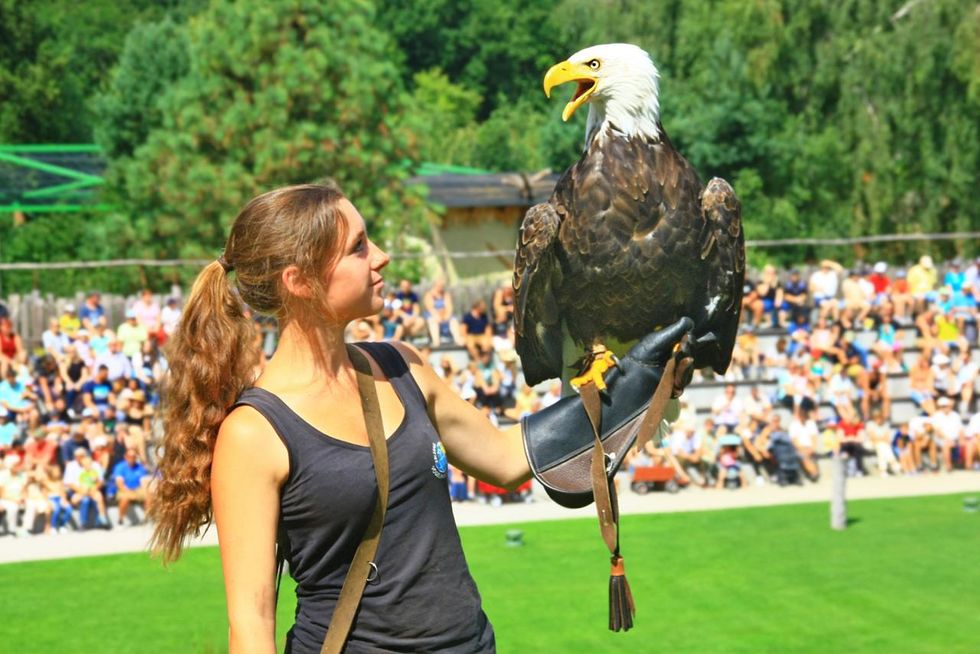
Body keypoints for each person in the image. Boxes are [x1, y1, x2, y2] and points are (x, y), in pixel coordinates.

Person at [148, 184, 692, 653]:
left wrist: (634, 383)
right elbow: (251, 624)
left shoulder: (402, 367)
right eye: (359, 248)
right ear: (300, 281)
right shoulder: (255, 433)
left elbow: (505, 459)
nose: (381, 256)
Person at [111, 448, 153, 526]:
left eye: (134, 456)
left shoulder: (140, 467)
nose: (131, 458)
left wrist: (145, 492)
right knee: (125, 498)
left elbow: (143, 482)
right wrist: (129, 492)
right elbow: (119, 483)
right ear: (125, 457)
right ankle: (120, 520)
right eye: (129, 456)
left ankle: (148, 518)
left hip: (137, 489)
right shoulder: (120, 467)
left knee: (149, 495)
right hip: (124, 488)